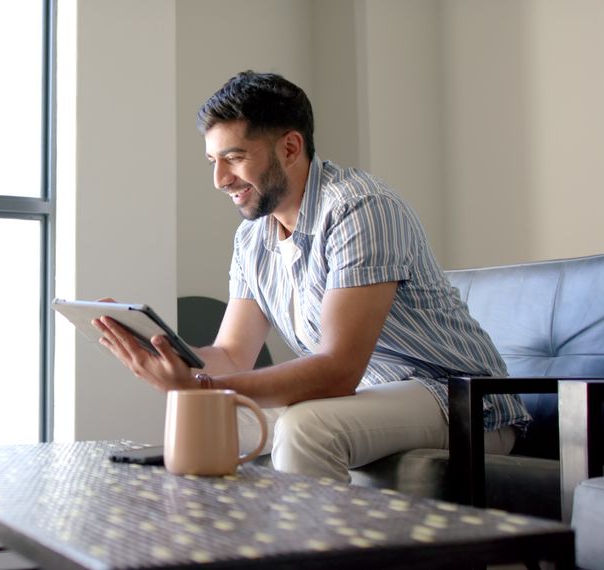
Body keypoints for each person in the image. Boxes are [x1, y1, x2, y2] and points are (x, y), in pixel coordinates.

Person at [93, 70, 529, 483]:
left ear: (289, 148)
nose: (220, 179)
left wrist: (201, 385)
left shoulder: (361, 208)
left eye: (235, 158)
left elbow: (337, 370)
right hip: (368, 397)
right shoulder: (251, 239)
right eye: (212, 161)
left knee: (307, 428)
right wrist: (165, 358)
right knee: (214, 423)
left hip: (459, 400)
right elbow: (231, 355)